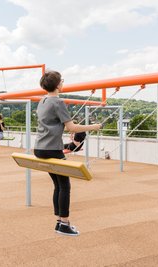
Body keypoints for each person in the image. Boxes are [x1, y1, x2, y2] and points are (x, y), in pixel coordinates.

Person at [34, 70, 102, 236]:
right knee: (64, 185)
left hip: (39, 148)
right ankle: (64, 223)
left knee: (58, 185)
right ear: (58, 85)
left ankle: (59, 222)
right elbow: (71, 127)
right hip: (52, 149)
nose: (63, 83)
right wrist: (94, 127)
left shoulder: (42, 101)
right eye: (62, 81)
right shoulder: (58, 102)